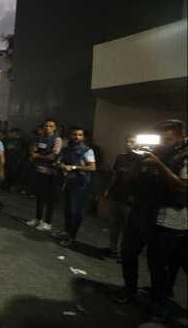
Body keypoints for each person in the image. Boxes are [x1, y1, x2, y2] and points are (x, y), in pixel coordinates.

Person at [111, 120, 187, 323]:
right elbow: (126, 179)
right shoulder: (151, 154)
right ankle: (129, 287)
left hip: (167, 218)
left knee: (157, 263)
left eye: (167, 139)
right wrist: (139, 161)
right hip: (141, 213)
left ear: (181, 138)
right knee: (128, 253)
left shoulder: (184, 157)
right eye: (159, 138)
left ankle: (159, 302)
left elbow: (181, 187)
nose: (162, 143)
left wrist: (159, 165)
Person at [51, 126, 96, 246]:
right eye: (74, 134)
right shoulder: (66, 150)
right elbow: (63, 162)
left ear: (83, 137)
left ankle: (72, 237)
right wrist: (59, 164)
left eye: (79, 135)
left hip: (80, 184)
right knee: (67, 209)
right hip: (68, 182)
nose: (77, 137)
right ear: (70, 135)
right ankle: (66, 231)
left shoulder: (87, 150)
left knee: (76, 212)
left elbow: (92, 167)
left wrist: (74, 167)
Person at [103, 135, 139, 261]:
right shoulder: (121, 157)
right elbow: (115, 174)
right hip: (116, 194)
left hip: (129, 198)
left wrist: (135, 194)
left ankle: (124, 253)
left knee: (127, 227)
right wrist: (108, 189)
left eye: (132, 142)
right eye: (127, 142)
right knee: (114, 223)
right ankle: (113, 248)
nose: (129, 144)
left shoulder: (141, 160)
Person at [26, 118, 62, 231]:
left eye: (51, 126)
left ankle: (47, 222)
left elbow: (53, 156)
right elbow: (33, 149)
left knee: (49, 199)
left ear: (55, 128)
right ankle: (37, 218)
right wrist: (32, 151)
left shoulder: (57, 140)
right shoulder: (40, 138)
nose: (47, 128)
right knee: (39, 197)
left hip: (50, 174)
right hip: (38, 171)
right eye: (46, 126)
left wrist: (38, 156)